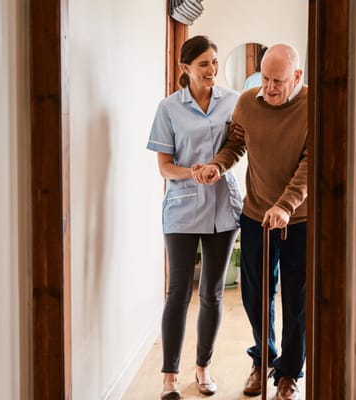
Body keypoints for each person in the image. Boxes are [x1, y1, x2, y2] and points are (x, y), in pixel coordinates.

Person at [194, 43, 307, 400]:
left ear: (298, 77)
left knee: (296, 300)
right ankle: (263, 358)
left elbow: (311, 164)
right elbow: (235, 144)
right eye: (265, 79)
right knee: (255, 295)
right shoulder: (247, 102)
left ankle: (289, 373)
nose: (269, 88)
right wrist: (217, 164)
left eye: (278, 81)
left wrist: (286, 206)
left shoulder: (315, 106)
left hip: (299, 219)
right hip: (256, 213)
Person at [146, 35, 242, 400]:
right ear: (185, 68)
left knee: (213, 294)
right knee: (178, 292)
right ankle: (169, 376)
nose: (212, 70)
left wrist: (216, 169)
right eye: (204, 64)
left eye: (215, 62)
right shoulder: (168, 108)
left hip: (222, 208)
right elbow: (165, 167)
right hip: (183, 209)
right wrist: (194, 172)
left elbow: (239, 147)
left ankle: (202, 369)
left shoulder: (233, 102)